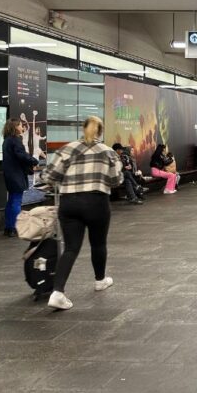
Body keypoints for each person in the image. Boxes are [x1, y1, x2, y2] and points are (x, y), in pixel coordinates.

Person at [42, 116, 122, 310]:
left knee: (71, 248)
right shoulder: (108, 152)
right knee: (98, 243)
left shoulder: (67, 149)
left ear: (83, 128)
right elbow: (116, 180)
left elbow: (49, 176)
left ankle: (57, 292)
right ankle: (100, 280)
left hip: (69, 203)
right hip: (96, 202)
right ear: (100, 132)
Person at [2, 118, 43, 237]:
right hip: (16, 175)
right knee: (16, 202)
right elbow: (22, 155)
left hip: (9, 174)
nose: (22, 127)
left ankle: (8, 227)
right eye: (20, 125)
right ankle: (15, 228)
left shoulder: (7, 140)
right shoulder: (15, 140)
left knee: (11, 201)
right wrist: (34, 161)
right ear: (15, 127)